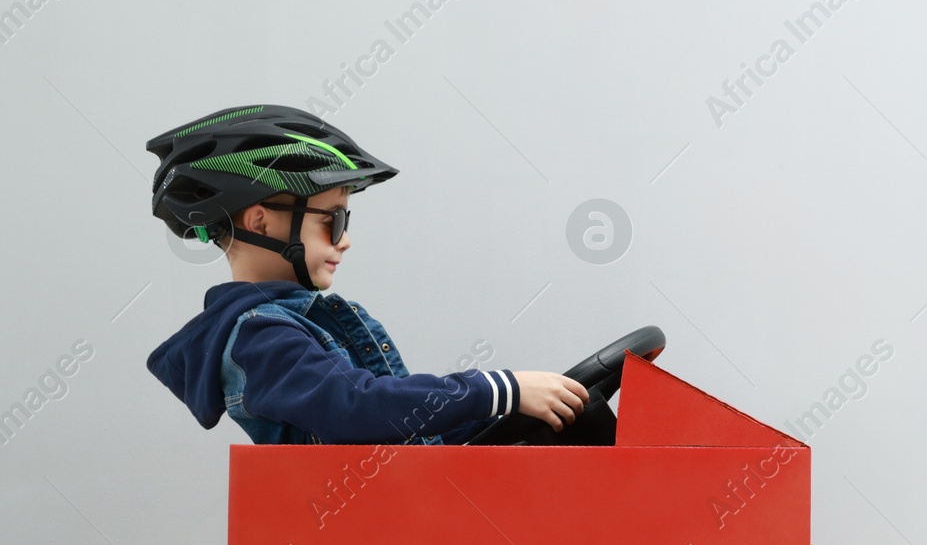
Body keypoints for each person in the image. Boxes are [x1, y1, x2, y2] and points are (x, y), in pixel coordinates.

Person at [144, 105, 612, 446]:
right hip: (376, 532)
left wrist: (506, 413)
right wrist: (498, 390)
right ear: (261, 221)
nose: (344, 240)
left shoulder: (295, 322)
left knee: (577, 419)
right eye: (333, 220)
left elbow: (407, 433)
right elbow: (356, 408)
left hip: (405, 508)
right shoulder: (260, 338)